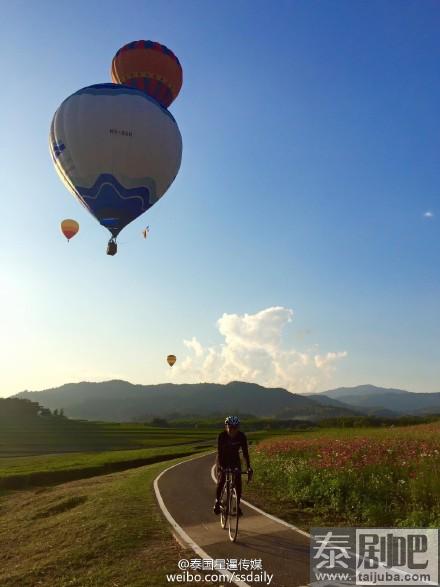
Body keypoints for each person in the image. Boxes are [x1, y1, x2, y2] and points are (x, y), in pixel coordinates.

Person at [213, 416, 253, 516]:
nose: (232, 430)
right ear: (226, 426)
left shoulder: (241, 437)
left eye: (235, 428)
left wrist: (248, 467)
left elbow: (245, 453)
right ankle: (217, 502)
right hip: (222, 459)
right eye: (230, 427)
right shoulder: (222, 436)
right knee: (222, 479)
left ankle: (238, 505)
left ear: (238, 428)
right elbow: (220, 452)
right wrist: (221, 467)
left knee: (238, 480)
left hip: (235, 459)